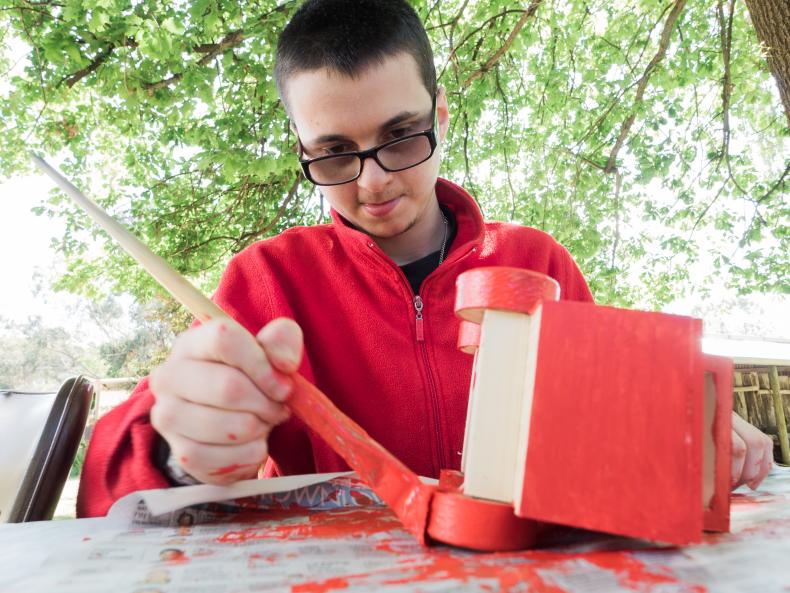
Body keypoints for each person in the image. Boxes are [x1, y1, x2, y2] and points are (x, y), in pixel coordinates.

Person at [77, 0, 772, 518]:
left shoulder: (539, 262)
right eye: (333, 152)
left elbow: (613, 439)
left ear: (441, 116)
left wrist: (686, 427)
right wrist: (174, 453)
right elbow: (107, 492)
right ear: (302, 149)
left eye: (400, 135)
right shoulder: (266, 279)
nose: (372, 180)